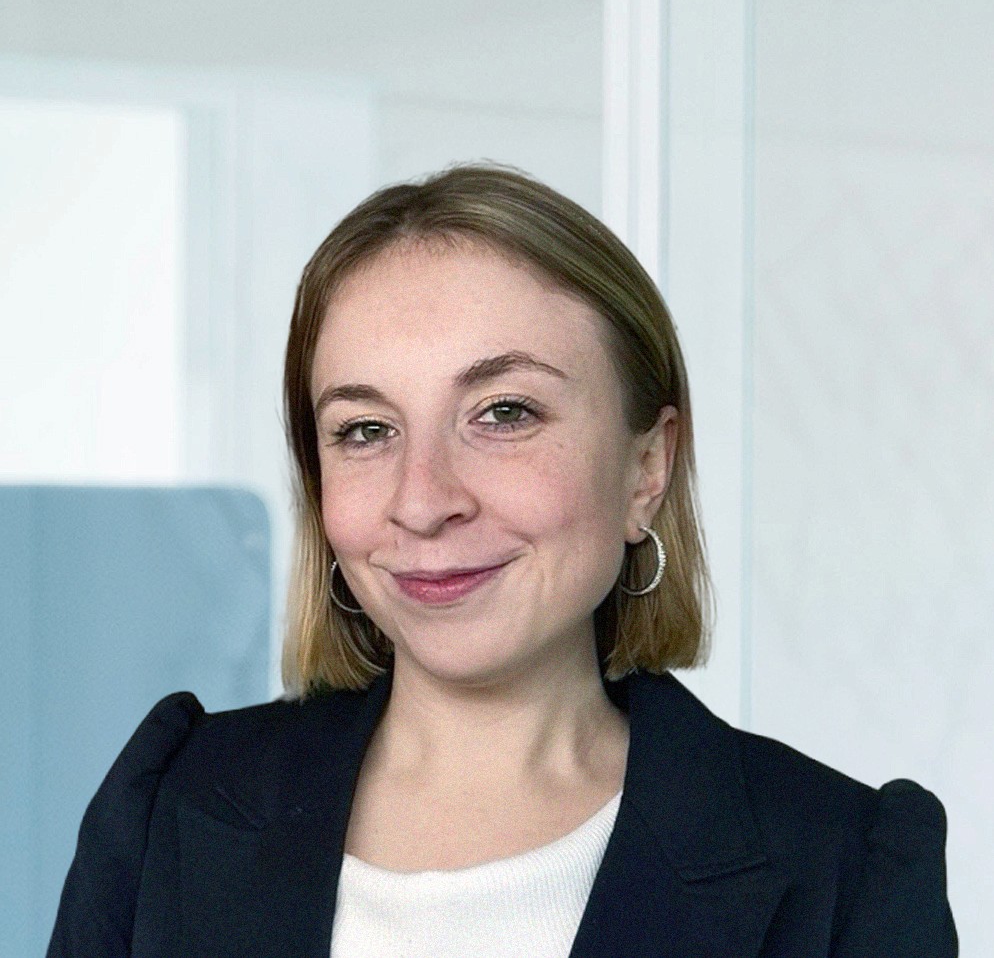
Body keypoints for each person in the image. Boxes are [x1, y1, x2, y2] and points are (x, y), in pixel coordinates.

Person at [48, 164, 956, 957]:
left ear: (648, 467)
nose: (423, 498)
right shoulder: (169, 806)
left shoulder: (845, 868)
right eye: (365, 430)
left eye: (504, 413)